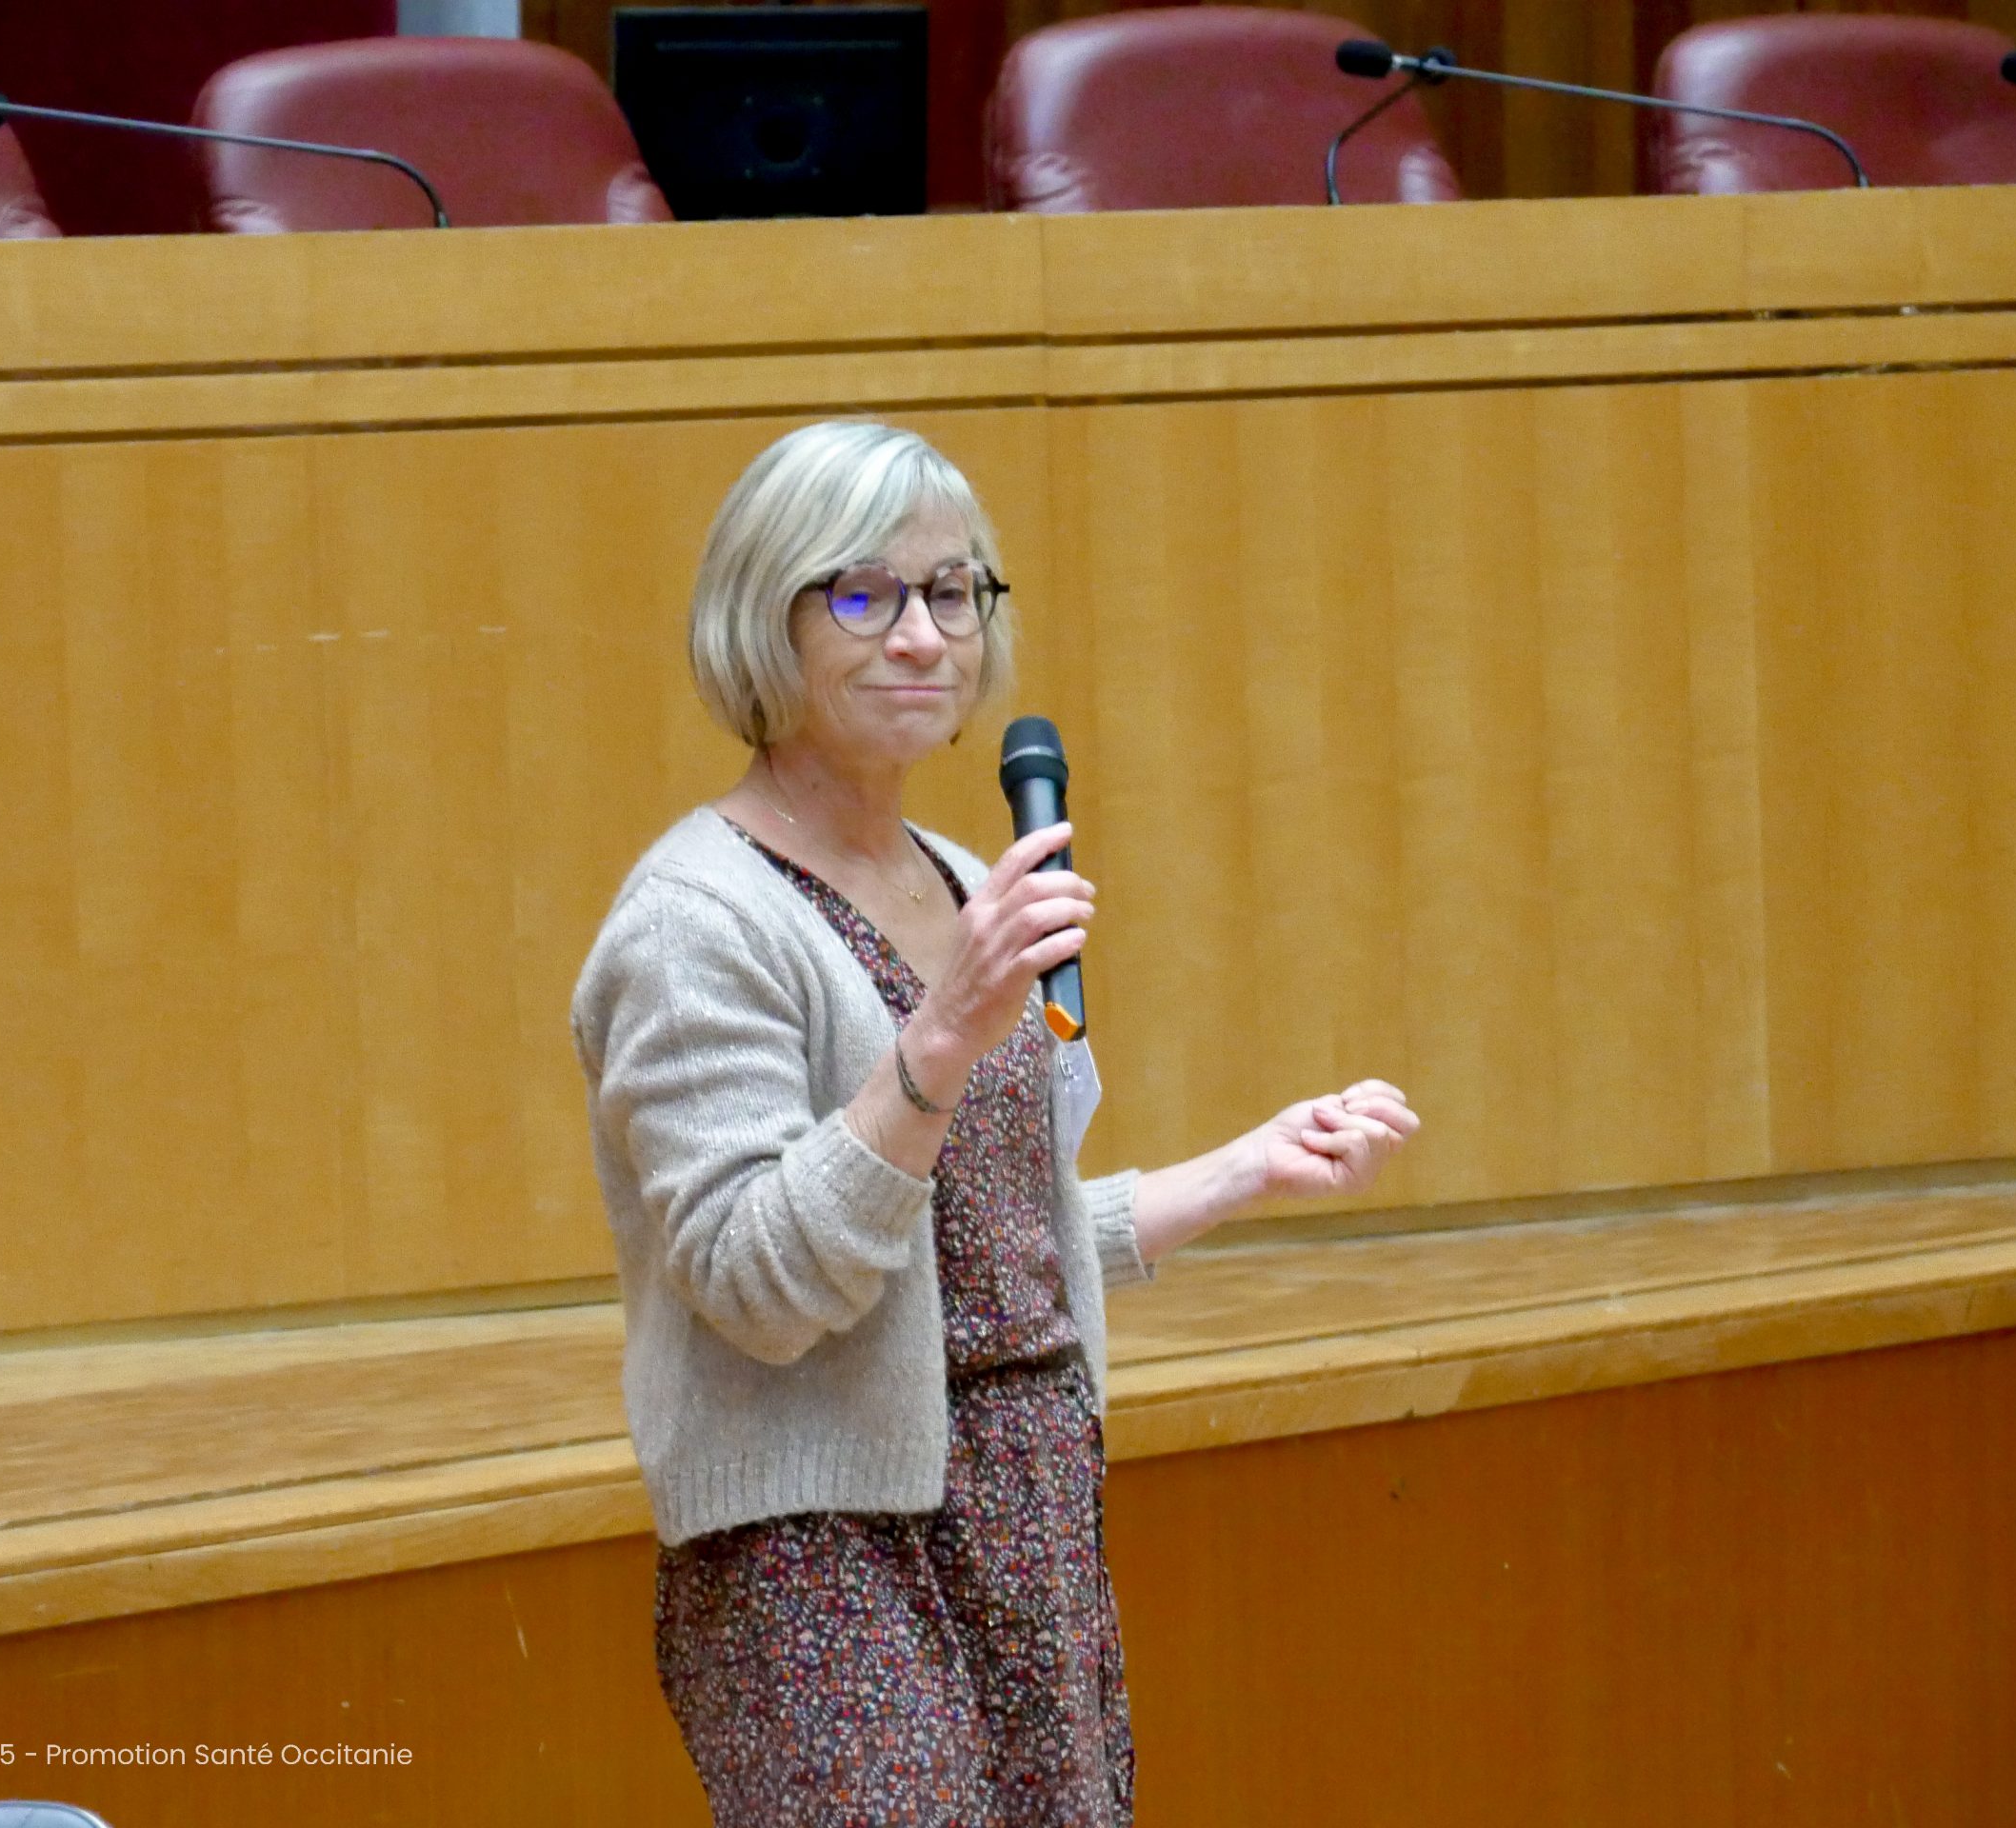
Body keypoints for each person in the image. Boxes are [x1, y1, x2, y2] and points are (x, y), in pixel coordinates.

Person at [571, 420, 1419, 1827]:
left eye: (953, 592)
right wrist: (939, 1037)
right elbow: (756, 1283)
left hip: (1029, 1516)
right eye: (863, 594)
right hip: (824, 1560)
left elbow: (979, 1256)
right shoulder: (692, 924)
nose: (921, 635)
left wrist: (1236, 1173)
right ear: (758, 620)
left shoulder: (967, 879)